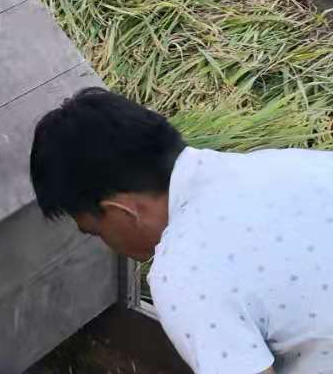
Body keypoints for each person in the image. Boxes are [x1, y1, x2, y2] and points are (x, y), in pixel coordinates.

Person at [30, 88, 333, 373]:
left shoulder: (185, 272)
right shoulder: (289, 165)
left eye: (97, 232)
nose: (107, 245)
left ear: (121, 212)